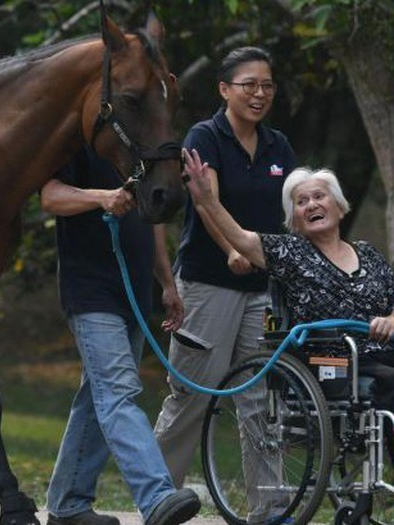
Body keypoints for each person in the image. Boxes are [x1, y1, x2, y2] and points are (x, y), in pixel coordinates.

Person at [181, 152, 394, 459]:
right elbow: (240, 238)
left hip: (380, 352)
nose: (312, 205)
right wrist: (208, 200)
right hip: (331, 361)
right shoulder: (290, 253)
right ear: (294, 218)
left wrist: (389, 319)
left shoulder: (368, 254)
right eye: (302, 201)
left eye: (319, 196)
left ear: (339, 206)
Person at [154, 46, 297, 489]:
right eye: (249, 84)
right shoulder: (204, 137)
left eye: (267, 85)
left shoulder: (279, 145)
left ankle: (270, 508)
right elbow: (205, 200)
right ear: (224, 89)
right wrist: (232, 250)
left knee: (259, 399)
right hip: (207, 285)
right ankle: (156, 494)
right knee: (193, 395)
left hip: (262, 290)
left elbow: (291, 210)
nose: (259, 93)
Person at [40, 145, 201, 525]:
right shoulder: (78, 140)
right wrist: (100, 198)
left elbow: (153, 220)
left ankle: (67, 503)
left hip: (135, 291)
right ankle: (156, 495)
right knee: (118, 392)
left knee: (96, 397)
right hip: (91, 291)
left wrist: (166, 282)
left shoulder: (141, 147)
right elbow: (49, 196)